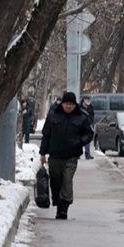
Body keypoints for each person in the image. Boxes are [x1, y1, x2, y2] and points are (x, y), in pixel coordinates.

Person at [39, 91, 94, 219]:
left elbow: (89, 134)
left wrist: (80, 142)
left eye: (71, 104)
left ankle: (64, 207)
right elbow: (46, 135)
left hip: (71, 156)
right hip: (55, 155)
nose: (68, 106)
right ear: (62, 103)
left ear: (75, 105)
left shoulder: (81, 117)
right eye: (66, 103)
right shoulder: (53, 116)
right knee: (56, 182)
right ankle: (58, 205)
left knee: (67, 181)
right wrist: (42, 153)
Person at [80, 95, 95, 159]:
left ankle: (87, 153)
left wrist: (90, 121)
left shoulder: (90, 107)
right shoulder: (79, 107)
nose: (87, 101)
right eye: (86, 99)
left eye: (88, 100)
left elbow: (92, 115)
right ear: (83, 100)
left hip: (88, 124)